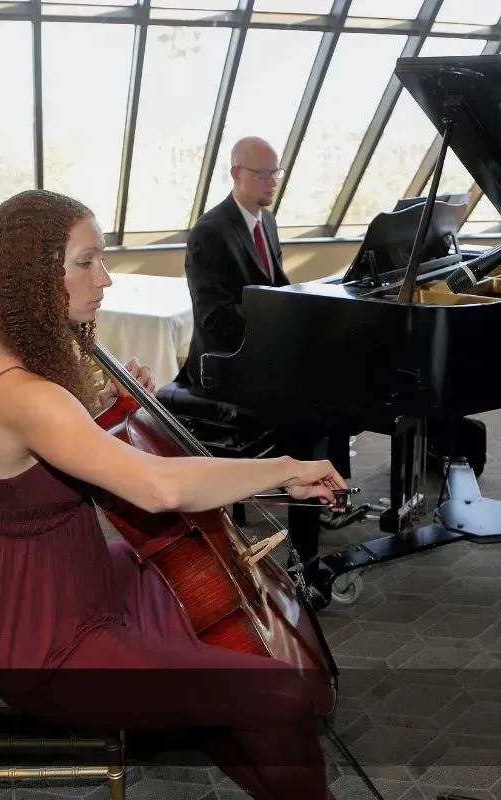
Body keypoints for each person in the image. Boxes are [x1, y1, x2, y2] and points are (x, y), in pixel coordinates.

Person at [0, 189, 342, 800]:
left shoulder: (12, 362)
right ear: (32, 275)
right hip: (51, 644)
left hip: (65, 586)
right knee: (280, 695)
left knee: (196, 605)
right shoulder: (24, 393)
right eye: (86, 262)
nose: (104, 279)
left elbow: (56, 450)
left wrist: (100, 408)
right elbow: (158, 488)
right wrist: (283, 470)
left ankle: (244, 745)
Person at [179, 136, 357, 599]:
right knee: (308, 408)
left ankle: (330, 491)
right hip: (220, 364)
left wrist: (306, 311)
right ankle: (303, 560)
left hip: (261, 351)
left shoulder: (267, 220)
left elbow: (276, 286)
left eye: (276, 173)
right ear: (236, 174)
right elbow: (214, 318)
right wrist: (277, 328)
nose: (272, 182)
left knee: (337, 381)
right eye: (264, 174)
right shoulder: (210, 231)